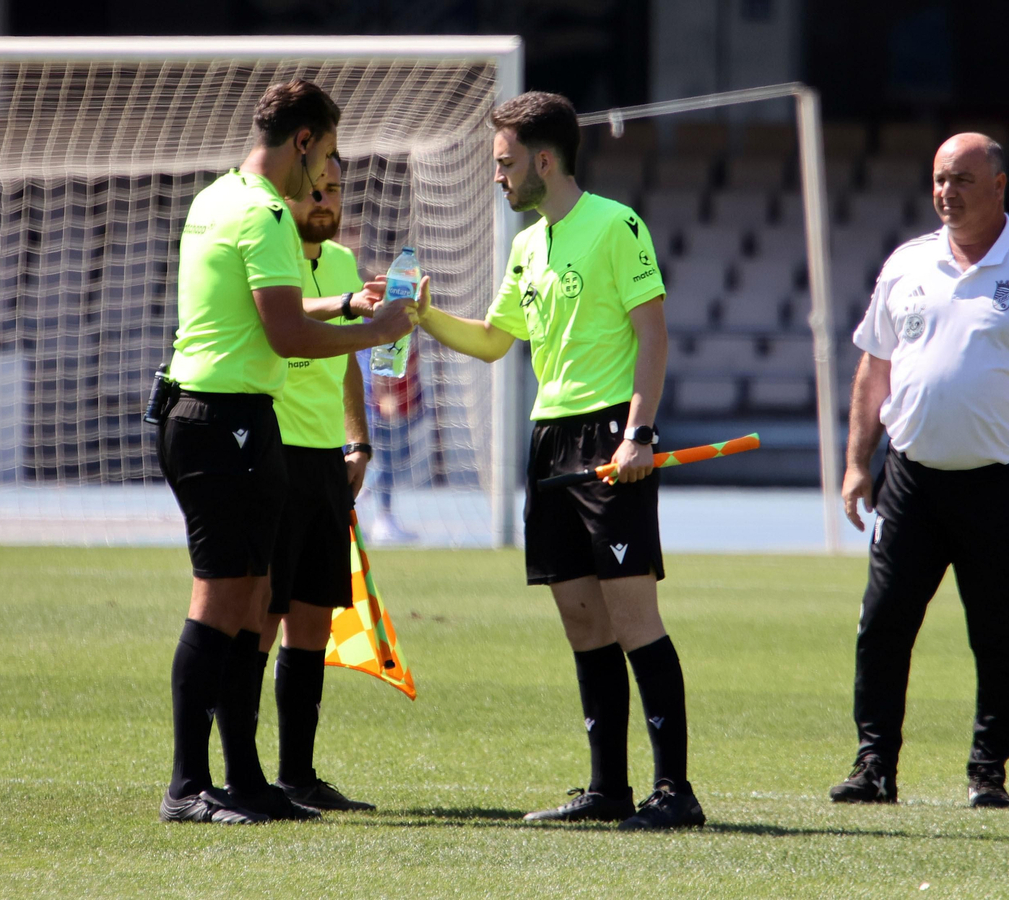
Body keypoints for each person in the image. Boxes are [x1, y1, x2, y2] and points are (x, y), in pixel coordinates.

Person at [414, 91, 704, 830]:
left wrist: (640, 433)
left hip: (611, 435)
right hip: (549, 443)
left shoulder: (616, 224)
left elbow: (654, 336)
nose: (498, 178)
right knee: (582, 620)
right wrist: (420, 314)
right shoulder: (526, 245)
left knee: (635, 616)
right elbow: (490, 340)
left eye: (505, 164)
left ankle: (674, 792)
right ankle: (608, 790)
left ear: (545, 160)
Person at [830, 133, 1009, 809]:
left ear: (999, 186)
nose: (945, 192)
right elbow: (875, 368)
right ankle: (875, 764)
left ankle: (988, 770)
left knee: (999, 634)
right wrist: (855, 464)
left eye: (961, 179)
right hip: (910, 481)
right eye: (937, 179)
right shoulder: (905, 264)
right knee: (883, 625)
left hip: (998, 484)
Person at [156, 80, 414, 825]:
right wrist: (377, 332)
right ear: (303, 142)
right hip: (223, 419)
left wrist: (344, 305)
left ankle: (246, 781)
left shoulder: (218, 198)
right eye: (327, 152)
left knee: (245, 604)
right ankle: (186, 786)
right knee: (222, 601)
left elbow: (276, 307)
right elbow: (284, 336)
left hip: (215, 414)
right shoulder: (268, 212)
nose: (329, 171)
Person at [254, 152, 387, 812]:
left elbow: (351, 356)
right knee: (261, 617)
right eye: (317, 189)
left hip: (324, 461)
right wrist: (344, 306)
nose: (327, 201)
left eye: (336, 189)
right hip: (269, 451)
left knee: (311, 620)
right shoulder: (270, 245)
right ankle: (236, 774)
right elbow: (290, 318)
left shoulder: (341, 263)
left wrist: (357, 439)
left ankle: (296, 777)